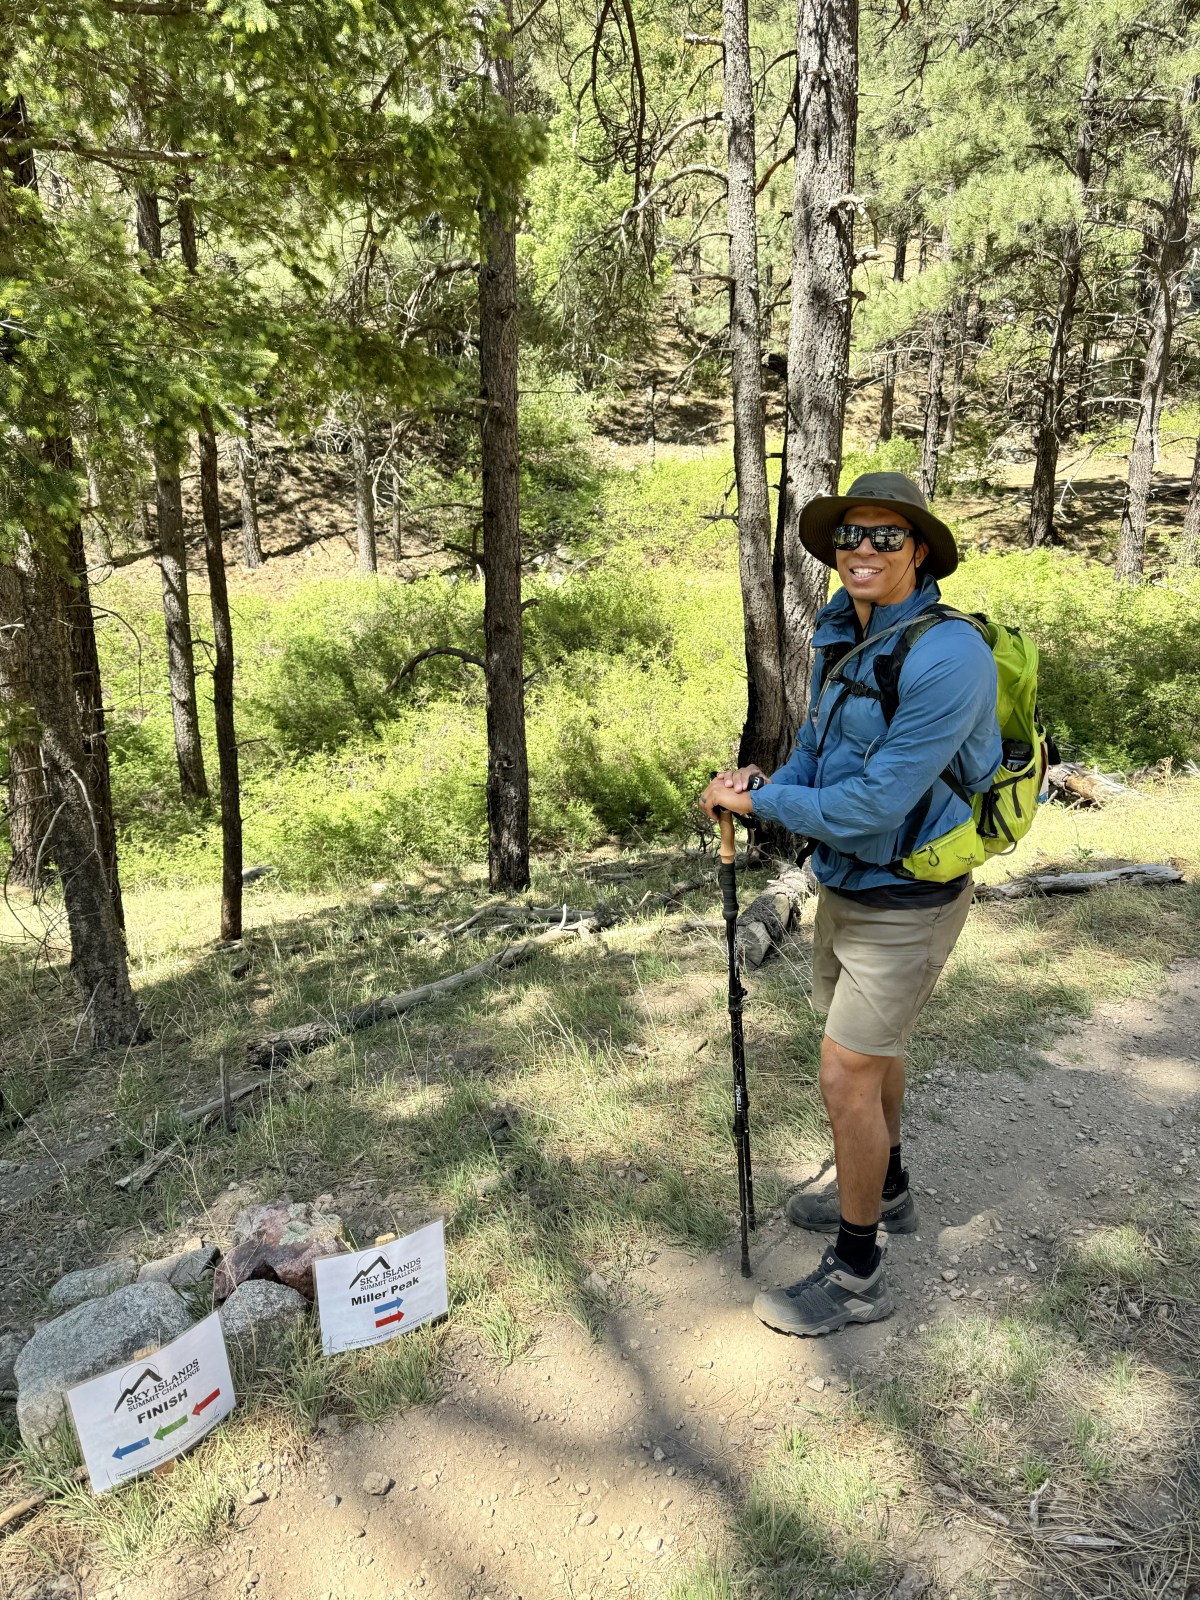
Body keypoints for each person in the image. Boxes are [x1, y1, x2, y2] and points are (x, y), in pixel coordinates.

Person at [699, 471, 1001, 1337]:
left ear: (920, 552)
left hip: (909, 895)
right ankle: (890, 1190)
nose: (861, 551)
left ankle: (860, 1273)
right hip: (850, 882)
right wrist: (764, 782)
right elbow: (817, 756)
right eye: (849, 537)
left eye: (884, 537)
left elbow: (873, 804)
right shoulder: (848, 633)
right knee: (872, 1061)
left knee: (845, 1075)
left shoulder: (949, 656)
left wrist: (765, 809)